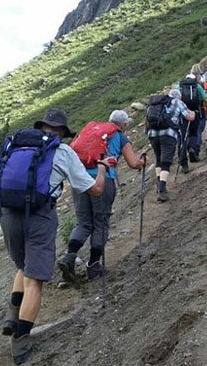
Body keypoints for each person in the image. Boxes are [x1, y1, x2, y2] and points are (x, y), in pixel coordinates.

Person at [0, 108, 106, 365]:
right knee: (35, 280)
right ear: (60, 132)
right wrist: (103, 168)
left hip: (8, 213)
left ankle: (12, 318)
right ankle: (21, 343)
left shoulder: (16, 147)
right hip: (40, 215)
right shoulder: (63, 151)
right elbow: (94, 190)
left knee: (22, 266)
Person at [58, 109, 145, 282]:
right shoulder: (120, 136)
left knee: (83, 222)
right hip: (102, 179)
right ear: (125, 125)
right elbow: (133, 163)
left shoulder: (94, 130)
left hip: (80, 180)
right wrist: (142, 162)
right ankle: (94, 266)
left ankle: (69, 258)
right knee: (100, 222)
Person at [147, 88, 195, 201]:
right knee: (166, 162)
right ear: (178, 96)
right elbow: (189, 117)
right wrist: (193, 113)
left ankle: (159, 183)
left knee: (158, 159)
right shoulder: (178, 102)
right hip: (168, 134)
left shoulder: (157, 103)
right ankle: (162, 190)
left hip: (153, 134)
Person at [177, 70, 207, 172]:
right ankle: (192, 149)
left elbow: (174, 100)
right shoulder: (197, 86)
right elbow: (205, 98)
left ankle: (184, 164)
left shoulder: (179, 86)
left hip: (182, 115)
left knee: (183, 137)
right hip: (195, 113)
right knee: (193, 133)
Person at [193, 64, 207, 158]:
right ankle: (196, 147)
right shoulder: (203, 80)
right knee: (199, 129)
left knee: (192, 130)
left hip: (190, 110)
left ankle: (192, 148)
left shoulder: (187, 81)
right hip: (202, 108)